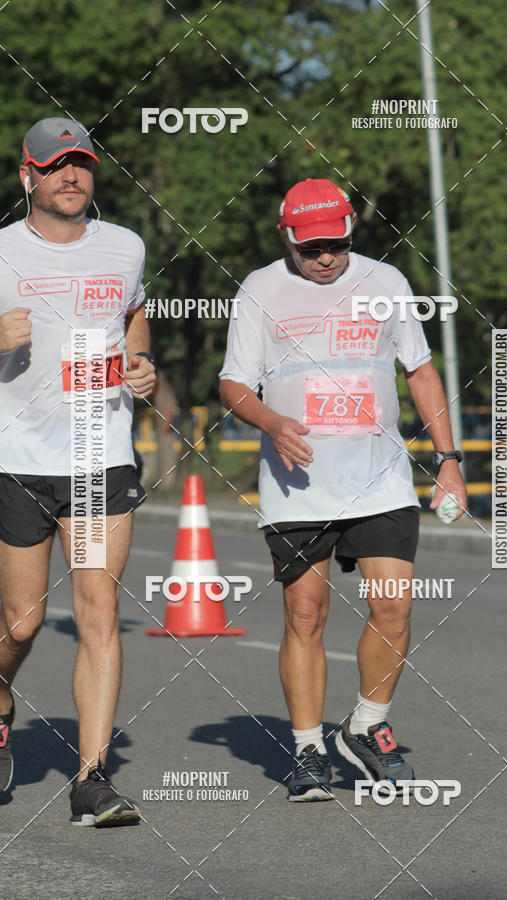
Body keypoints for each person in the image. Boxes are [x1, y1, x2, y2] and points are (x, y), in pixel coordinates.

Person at [220, 177, 467, 801]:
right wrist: (271, 422)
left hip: (380, 481)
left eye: (336, 243)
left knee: (395, 605)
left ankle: (366, 726)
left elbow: (420, 370)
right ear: (287, 238)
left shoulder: (386, 284)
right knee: (306, 613)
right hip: (297, 486)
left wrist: (449, 459)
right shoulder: (259, 290)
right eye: (311, 248)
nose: (325, 257)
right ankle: (307, 751)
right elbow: (232, 384)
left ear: (352, 227)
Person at [0, 117, 157, 825]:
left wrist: (141, 362)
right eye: (56, 165)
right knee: (23, 622)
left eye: (82, 165)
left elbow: (134, 316)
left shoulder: (124, 246)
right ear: (26, 176)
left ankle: (91, 778)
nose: (72, 176)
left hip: (98, 458)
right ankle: (1, 698)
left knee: (98, 612)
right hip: (19, 460)